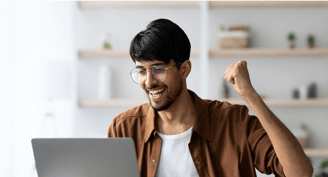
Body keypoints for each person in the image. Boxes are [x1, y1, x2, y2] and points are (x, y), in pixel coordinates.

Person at [107, 18, 313, 177]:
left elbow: (300, 173)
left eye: (158, 69)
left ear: (185, 69)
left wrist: (251, 95)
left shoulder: (234, 122)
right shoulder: (123, 128)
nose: (149, 82)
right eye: (141, 71)